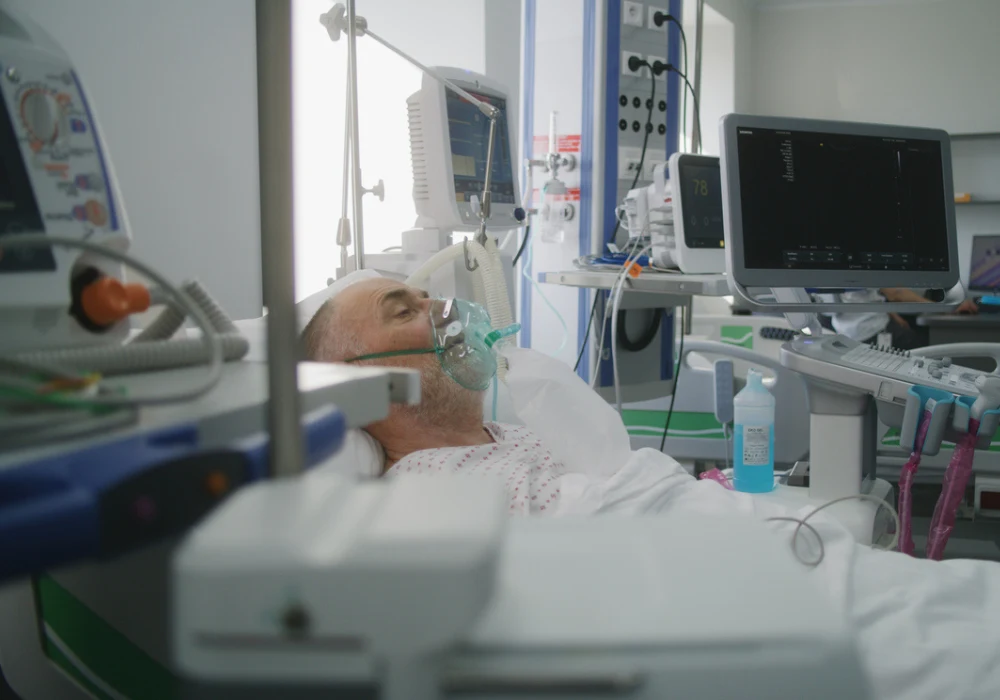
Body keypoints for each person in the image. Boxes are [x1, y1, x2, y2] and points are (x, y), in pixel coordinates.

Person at [301, 276, 568, 513]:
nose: (447, 312)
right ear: (353, 381)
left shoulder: (510, 433)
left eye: (429, 299)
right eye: (404, 312)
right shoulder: (443, 500)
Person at [829, 288, 978, 350]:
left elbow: (868, 295)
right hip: (871, 331)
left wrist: (892, 314)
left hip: (847, 332)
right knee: (925, 347)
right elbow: (896, 293)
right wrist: (946, 309)